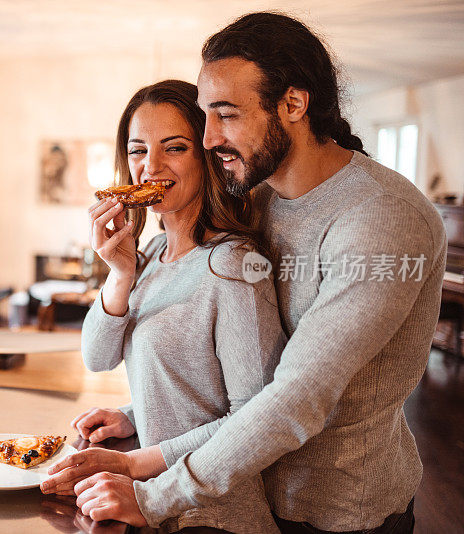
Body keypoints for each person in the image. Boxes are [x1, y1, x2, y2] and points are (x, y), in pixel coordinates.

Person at [63, 12, 445, 534]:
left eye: (225, 115)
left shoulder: (381, 218)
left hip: (335, 509)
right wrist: (140, 411)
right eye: (205, 117)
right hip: (248, 490)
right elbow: (223, 359)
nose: (208, 138)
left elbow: (295, 397)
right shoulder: (256, 196)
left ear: (293, 104)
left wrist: (153, 491)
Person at [40, 79, 286, 534]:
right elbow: (98, 358)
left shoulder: (235, 267)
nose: (150, 166)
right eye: (137, 151)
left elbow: (252, 422)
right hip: (155, 509)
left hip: (215, 517)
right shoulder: (150, 254)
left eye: (173, 148)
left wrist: (132, 463)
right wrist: (119, 273)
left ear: (207, 155)